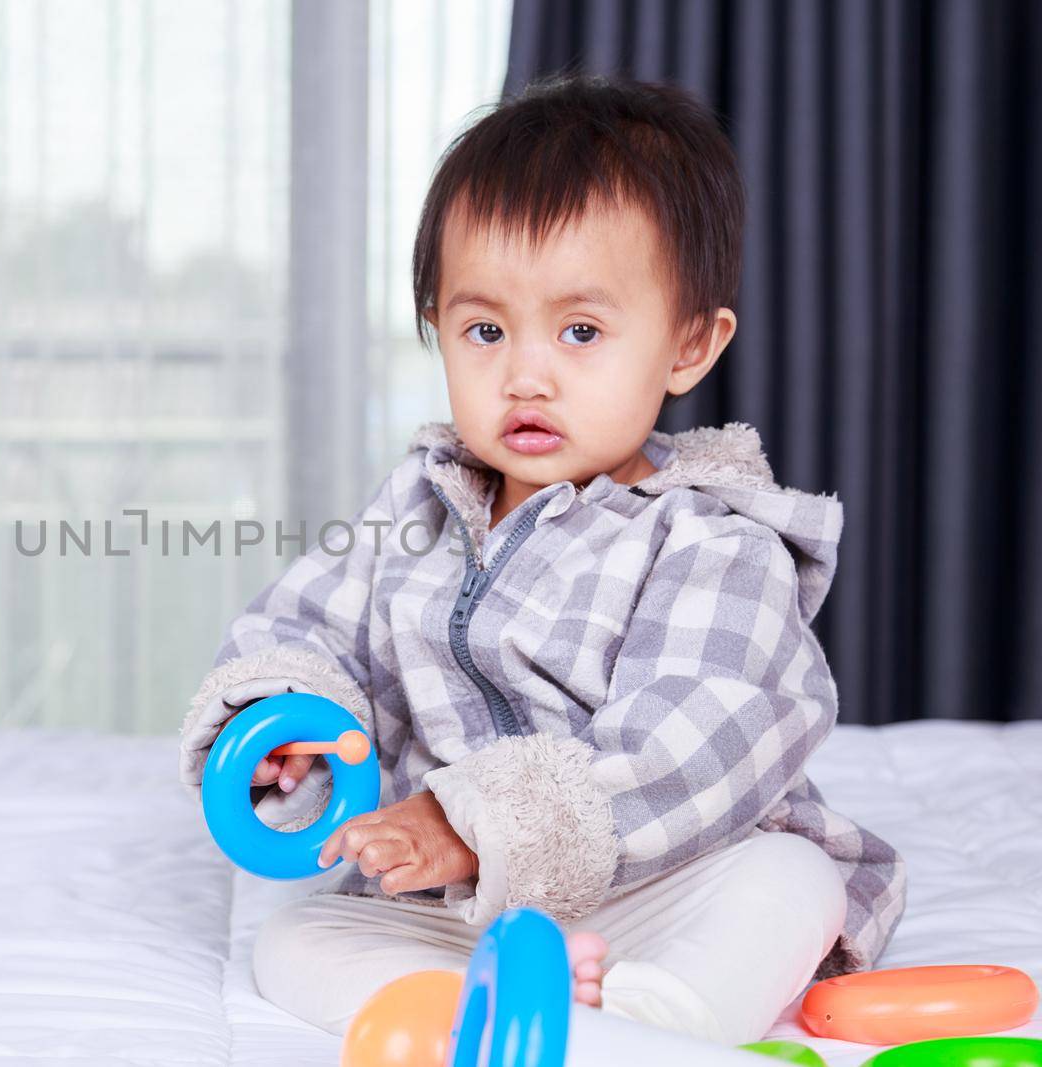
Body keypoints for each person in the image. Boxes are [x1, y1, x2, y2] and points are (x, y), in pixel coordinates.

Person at [177, 75, 906, 1046]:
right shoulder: (417, 506)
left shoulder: (713, 537)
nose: (525, 372)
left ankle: (647, 1022)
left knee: (788, 882)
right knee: (297, 935)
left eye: (580, 331)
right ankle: (480, 1012)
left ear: (688, 342)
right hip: (465, 910)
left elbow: (698, 738)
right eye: (485, 329)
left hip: (661, 884)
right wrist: (284, 721)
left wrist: (471, 819)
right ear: (437, 326)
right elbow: (303, 624)